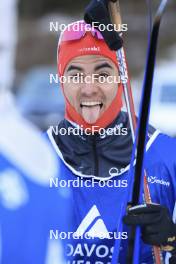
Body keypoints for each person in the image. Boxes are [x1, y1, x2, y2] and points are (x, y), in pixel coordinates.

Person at [46, 15, 176, 264]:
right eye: (75, 75)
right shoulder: (32, 159)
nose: (89, 88)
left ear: (120, 78)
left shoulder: (167, 158)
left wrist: (173, 238)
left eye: (102, 73)